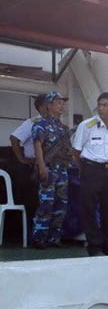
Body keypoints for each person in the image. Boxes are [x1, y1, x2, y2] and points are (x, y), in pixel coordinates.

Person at [72, 92, 108, 256]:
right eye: (99, 105)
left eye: (105, 105)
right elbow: (76, 151)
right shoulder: (87, 125)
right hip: (91, 169)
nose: (101, 108)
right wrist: (84, 170)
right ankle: (94, 247)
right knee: (88, 209)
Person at [31, 91, 72, 249]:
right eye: (58, 102)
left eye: (63, 103)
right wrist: (41, 167)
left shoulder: (63, 128)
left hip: (62, 170)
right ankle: (39, 238)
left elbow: (68, 150)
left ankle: (54, 238)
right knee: (46, 204)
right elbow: (37, 146)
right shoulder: (40, 124)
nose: (62, 106)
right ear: (49, 105)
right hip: (48, 168)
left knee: (61, 205)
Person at [9, 93, 48, 231]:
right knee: (34, 203)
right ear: (42, 107)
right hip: (34, 167)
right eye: (54, 103)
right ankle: (31, 235)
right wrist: (22, 159)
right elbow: (14, 138)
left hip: (51, 167)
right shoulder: (32, 122)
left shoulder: (56, 124)